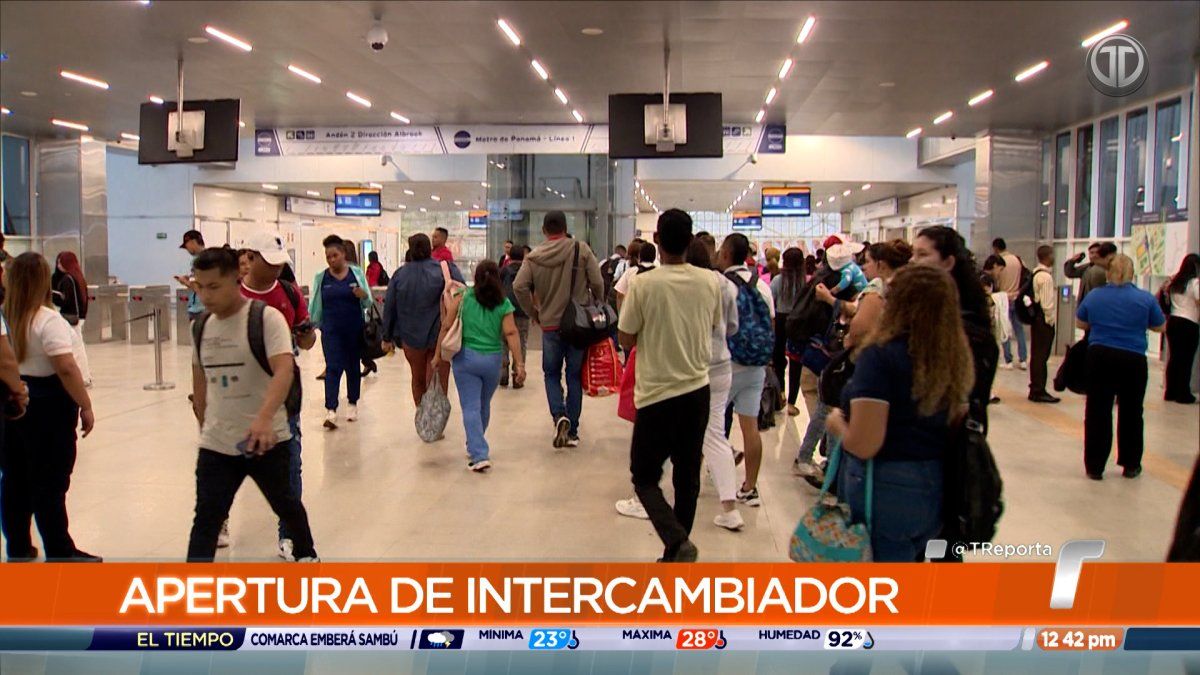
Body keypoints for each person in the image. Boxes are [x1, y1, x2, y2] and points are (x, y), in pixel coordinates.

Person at [825, 265, 974, 562]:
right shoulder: (952, 354)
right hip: (933, 485)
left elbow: (866, 443)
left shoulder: (881, 356)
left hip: (885, 488)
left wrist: (837, 424)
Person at [186, 248, 318, 562]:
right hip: (218, 443)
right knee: (206, 518)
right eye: (200, 286)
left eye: (214, 287)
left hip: (266, 439)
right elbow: (199, 381)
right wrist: (204, 426)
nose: (205, 296)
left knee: (286, 503)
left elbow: (284, 369)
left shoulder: (265, 318)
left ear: (236, 279)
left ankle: (307, 555)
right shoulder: (200, 327)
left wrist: (264, 418)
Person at [615, 238, 744, 532]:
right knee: (711, 437)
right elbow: (730, 326)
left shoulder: (653, 282)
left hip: (678, 371)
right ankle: (727, 507)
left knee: (651, 458)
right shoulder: (721, 284)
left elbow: (628, 333)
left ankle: (663, 521)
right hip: (719, 368)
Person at [618, 209, 723, 562]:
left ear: (657, 240)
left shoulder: (644, 284)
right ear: (691, 240)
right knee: (687, 476)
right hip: (697, 391)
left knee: (644, 477)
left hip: (657, 395)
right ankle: (676, 549)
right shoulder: (710, 281)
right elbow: (712, 325)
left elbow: (627, 337)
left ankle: (677, 543)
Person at [1, 252, 99, 562]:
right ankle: (59, 548)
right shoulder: (47, 319)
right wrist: (85, 405)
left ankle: (18, 545)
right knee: (51, 481)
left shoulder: (7, 316)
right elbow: (66, 368)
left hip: (13, 399)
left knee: (15, 477)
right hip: (49, 407)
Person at [237, 231, 317, 559]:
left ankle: (291, 537)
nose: (275, 270)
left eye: (279, 264)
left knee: (290, 464)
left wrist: (306, 333)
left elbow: (307, 344)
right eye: (269, 263)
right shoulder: (232, 295)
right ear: (251, 258)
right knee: (227, 465)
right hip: (240, 396)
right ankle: (220, 521)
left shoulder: (289, 292)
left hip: (284, 394)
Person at [512, 211, 605, 449]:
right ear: (565, 227)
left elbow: (519, 286)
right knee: (573, 375)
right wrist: (597, 303)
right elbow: (597, 281)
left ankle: (558, 415)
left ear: (544, 230)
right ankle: (572, 430)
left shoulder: (533, 257)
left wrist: (535, 313)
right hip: (579, 324)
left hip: (550, 325)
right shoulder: (580, 249)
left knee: (551, 374)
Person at [1076, 254, 1166, 480]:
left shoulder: (1096, 296)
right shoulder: (1145, 299)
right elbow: (1160, 326)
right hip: (1133, 358)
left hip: (1099, 356)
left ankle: (1095, 466)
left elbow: (1081, 322)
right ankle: (1131, 463)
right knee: (1132, 411)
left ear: (1108, 272)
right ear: (1132, 274)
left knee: (1097, 410)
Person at [434, 261, 525, 472]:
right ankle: (476, 443)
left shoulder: (462, 298)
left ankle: (479, 453)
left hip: (466, 360)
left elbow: (446, 326)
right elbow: (511, 333)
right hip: (492, 360)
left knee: (470, 406)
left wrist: (438, 354)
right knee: (483, 405)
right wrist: (519, 363)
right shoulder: (503, 303)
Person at [913, 226, 997, 431]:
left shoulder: (965, 325)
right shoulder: (926, 309)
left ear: (948, 262)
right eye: (913, 254)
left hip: (945, 439)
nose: (912, 261)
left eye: (922, 254)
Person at [717, 233, 774, 508]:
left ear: (726, 254)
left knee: (710, 426)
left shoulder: (720, 285)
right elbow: (770, 325)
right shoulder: (761, 285)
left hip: (726, 364)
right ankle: (750, 488)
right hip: (756, 366)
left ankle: (722, 484)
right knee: (750, 427)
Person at [383, 234, 464, 406]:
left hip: (410, 337)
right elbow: (463, 295)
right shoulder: (445, 269)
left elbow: (389, 306)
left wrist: (386, 336)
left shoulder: (399, 275)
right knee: (438, 380)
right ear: (429, 248)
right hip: (441, 336)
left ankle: (423, 418)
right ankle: (436, 422)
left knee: (417, 378)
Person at [309, 235, 372, 430]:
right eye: (328, 257)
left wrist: (363, 296)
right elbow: (315, 304)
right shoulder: (322, 278)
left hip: (354, 329)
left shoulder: (356, 274)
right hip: (331, 331)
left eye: (335, 255)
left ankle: (352, 403)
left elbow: (368, 301)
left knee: (353, 368)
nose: (331, 260)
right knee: (333, 368)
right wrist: (313, 324)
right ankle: (331, 410)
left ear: (343, 254)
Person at [770, 247, 806, 415]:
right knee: (796, 363)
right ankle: (792, 402)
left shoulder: (778, 280)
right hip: (799, 323)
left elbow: (771, 303)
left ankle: (780, 395)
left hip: (780, 320)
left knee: (778, 360)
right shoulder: (805, 282)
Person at [50, 251, 92, 387]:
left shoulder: (68, 279)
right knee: (79, 347)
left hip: (71, 317)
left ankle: (84, 378)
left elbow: (66, 300)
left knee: (76, 349)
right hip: (79, 317)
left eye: (60, 262)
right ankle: (85, 377)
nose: (58, 265)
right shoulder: (78, 276)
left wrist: (53, 295)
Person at [1163, 253, 1200, 404]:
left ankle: (1170, 391)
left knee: (1174, 358)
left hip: (1173, 321)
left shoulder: (1174, 281)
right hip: (1189, 322)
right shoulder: (1195, 283)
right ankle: (1183, 393)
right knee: (1186, 359)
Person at [1027, 245, 1060, 403]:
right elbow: (1047, 304)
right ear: (1048, 256)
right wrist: (1050, 320)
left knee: (1036, 355)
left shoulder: (1035, 273)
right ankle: (1038, 390)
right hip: (1043, 321)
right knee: (1041, 356)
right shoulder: (1046, 277)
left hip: (1036, 319)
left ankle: (1035, 387)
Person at [992, 238, 1028, 370]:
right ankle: (1023, 359)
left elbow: (995, 282)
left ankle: (1008, 360)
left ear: (995, 248)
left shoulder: (998, 263)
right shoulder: (1018, 260)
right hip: (1017, 297)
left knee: (1004, 330)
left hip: (1003, 299)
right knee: (1019, 330)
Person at [499, 245, 530, 388]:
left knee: (503, 341)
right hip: (523, 311)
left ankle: (503, 371)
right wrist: (535, 312)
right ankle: (518, 373)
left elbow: (497, 288)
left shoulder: (504, 270)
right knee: (521, 341)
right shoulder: (527, 270)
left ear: (510, 256)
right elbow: (533, 292)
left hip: (504, 310)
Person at [614, 242, 657, 310]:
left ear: (640, 256)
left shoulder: (630, 272)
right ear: (654, 257)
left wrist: (621, 315)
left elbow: (620, 294)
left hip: (633, 312)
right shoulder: (659, 273)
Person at [176, 229, 207, 322]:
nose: (187, 249)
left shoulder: (200, 260)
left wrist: (185, 282)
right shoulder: (205, 257)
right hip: (199, 307)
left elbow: (200, 286)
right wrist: (189, 278)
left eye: (187, 246)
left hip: (200, 308)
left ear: (193, 242)